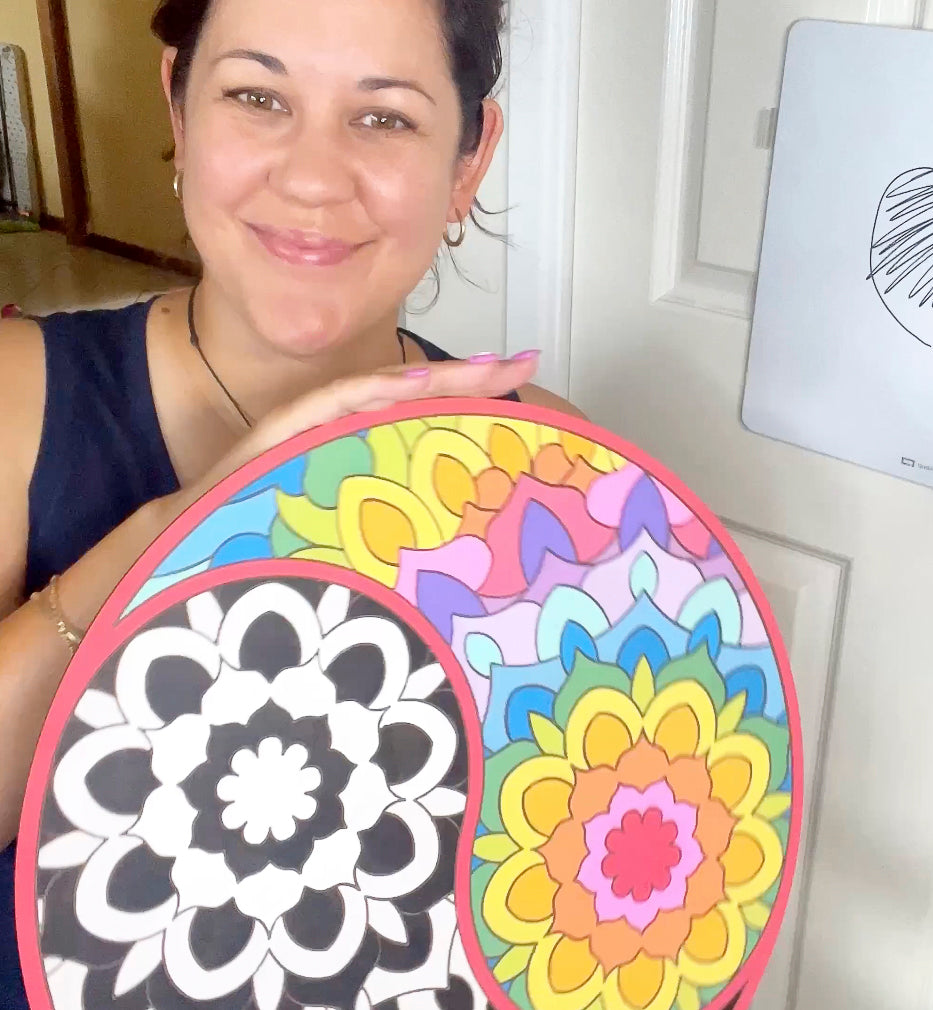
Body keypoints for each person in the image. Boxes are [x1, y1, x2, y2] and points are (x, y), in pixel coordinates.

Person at [0, 0, 580, 1003]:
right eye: (257, 97)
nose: (312, 179)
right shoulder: (17, 394)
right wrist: (176, 530)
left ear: (469, 158)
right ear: (179, 107)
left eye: (384, 116)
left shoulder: (550, 463)